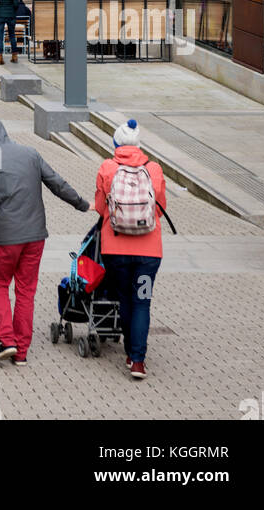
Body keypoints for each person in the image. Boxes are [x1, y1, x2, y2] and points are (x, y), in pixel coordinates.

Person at [0, 117, 91, 366]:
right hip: (35, 236)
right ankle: (21, 352)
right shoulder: (30, 153)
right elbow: (57, 184)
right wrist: (82, 204)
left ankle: (7, 340)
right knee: (26, 291)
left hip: (5, 238)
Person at [94, 119, 169, 380]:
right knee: (142, 301)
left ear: (116, 144)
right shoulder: (155, 169)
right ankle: (138, 361)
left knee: (125, 298)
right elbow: (160, 208)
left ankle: (129, 351)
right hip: (149, 254)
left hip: (116, 251)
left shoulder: (107, 167)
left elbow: (101, 209)